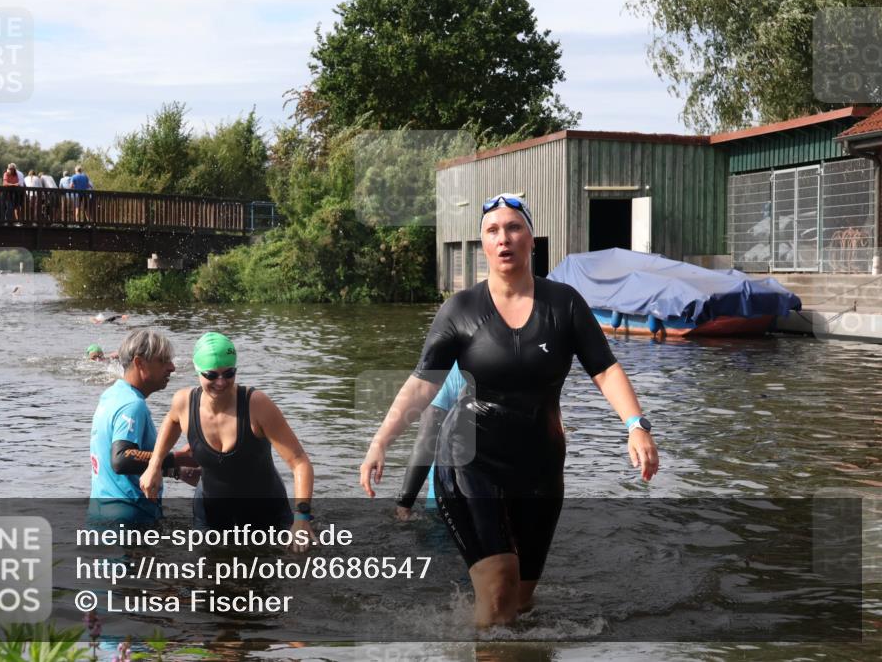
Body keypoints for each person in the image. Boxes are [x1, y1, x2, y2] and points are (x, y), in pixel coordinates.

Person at [359, 193, 660, 627]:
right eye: (493, 231)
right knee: (499, 591)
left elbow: (606, 369)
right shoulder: (460, 310)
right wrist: (380, 441)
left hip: (540, 467)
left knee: (519, 603)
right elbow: (422, 384)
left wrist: (636, 425)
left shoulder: (564, 304)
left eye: (514, 227)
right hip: (469, 460)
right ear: (483, 244)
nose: (505, 238)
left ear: (532, 239)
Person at [140, 332, 314, 549]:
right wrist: (154, 465)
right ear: (197, 371)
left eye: (229, 373)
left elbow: (299, 461)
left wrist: (302, 518)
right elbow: (172, 421)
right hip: (210, 515)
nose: (221, 382)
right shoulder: (184, 402)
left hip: (266, 512)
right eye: (211, 375)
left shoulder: (256, 405)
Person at [89, 329, 195, 525]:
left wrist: (176, 471)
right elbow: (122, 459)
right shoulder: (132, 405)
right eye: (163, 361)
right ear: (139, 363)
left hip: (101, 512)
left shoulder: (111, 395)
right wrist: (180, 458)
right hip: (129, 518)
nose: (172, 367)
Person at [395, 361, 467, 520]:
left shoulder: (452, 369)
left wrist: (404, 504)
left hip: (448, 499)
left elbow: (427, 439)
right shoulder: (530, 361)